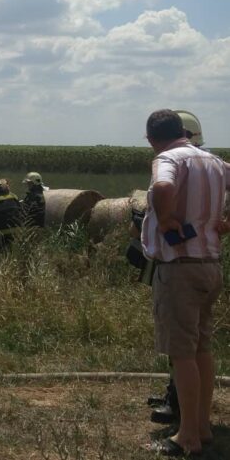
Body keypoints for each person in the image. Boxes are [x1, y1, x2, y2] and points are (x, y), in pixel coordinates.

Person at [140, 109, 229, 456]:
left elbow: (163, 185)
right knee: (201, 349)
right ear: (184, 131)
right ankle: (202, 426)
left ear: (151, 138)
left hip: (179, 268)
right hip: (210, 265)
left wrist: (165, 219)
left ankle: (188, 436)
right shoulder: (214, 162)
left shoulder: (168, 159)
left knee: (181, 354)